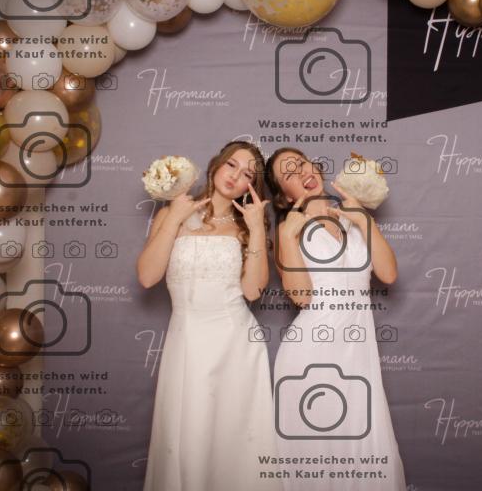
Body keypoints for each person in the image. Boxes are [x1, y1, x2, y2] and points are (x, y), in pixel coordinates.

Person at [137, 140, 281, 491]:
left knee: (233, 443)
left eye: (247, 174)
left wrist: (257, 228)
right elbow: (148, 277)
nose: (235, 175)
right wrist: (175, 217)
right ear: (216, 165)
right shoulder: (171, 214)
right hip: (186, 339)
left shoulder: (246, 226)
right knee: (186, 438)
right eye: (232, 164)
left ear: (251, 187)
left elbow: (252, 291)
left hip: (234, 345)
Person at [264, 147, 406, 490]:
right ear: (285, 196)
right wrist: (287, 236)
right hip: (311, 357)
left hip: (358, 356)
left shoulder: (352, 217)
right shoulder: (288, 231)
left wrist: (364, 221)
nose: (302, 172)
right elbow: (301, 296)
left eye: (302, 163)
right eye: (289, 173)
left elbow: (388, 274)